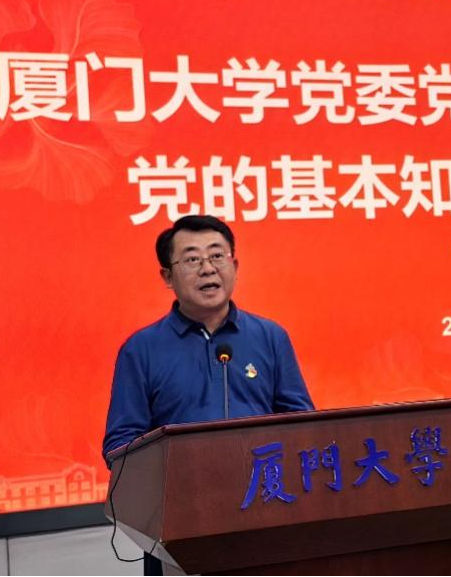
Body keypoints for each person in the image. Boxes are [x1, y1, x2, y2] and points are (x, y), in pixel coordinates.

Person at [102, 215, 313, 576]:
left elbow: (302, 423)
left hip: (265, 509)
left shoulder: (270, 337)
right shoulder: (141, 349)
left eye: (217, 255)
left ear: (235, 266)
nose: (207, 268)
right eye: (192, 259)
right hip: (178, 524)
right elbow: (120, 444)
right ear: (167, 277)